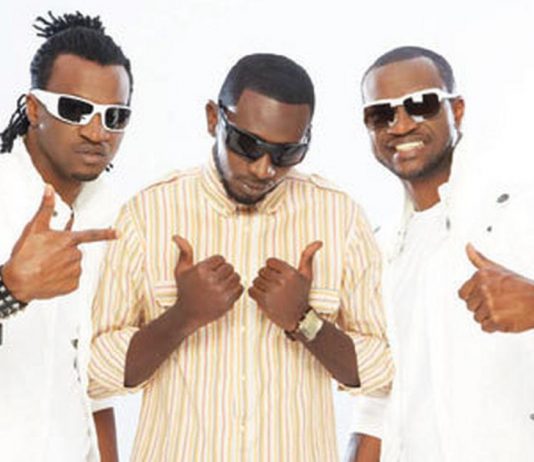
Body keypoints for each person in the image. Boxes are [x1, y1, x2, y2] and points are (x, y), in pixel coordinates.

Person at [89, 53, 393, 462]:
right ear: (213, 118)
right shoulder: (147, 215)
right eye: (247, 145)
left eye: (286, 153)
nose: (264, 169)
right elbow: (92, 371)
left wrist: (306, 322)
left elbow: (384, 370)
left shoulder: (340, 219)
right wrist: (182, 316)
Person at [348, 46, 534, 462]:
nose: (400, 125)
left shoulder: (521, 212)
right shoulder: (380, 252)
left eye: (421, 104)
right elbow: (377, 406)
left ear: (457, 110)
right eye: (381, 113)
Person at [0, 11, 133, 462]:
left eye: (114, 116)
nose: (97, 132)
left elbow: (88, 385)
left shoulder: (111, 216)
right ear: (34, 108)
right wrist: (8, 289)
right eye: (76, 110)